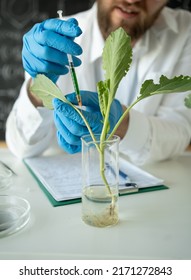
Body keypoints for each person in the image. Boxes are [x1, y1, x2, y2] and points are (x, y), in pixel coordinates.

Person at [5, 0, 191, 165]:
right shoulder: (58, 39)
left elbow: (179, 133)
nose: (132, 0)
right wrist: (39, 89)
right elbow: (21, 147)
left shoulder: (185, 32)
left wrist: (121, 125)